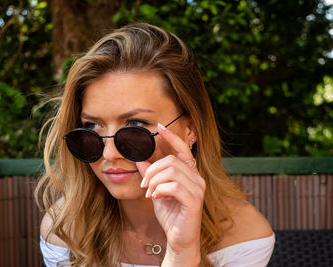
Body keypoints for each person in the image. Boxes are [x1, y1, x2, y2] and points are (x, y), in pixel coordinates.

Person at [36, 23, 275, 267]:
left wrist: (182, 252)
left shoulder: (243, 236)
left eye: (136, 125)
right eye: (91, 127)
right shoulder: (65, 229)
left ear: (190, 129)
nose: (109, 153)